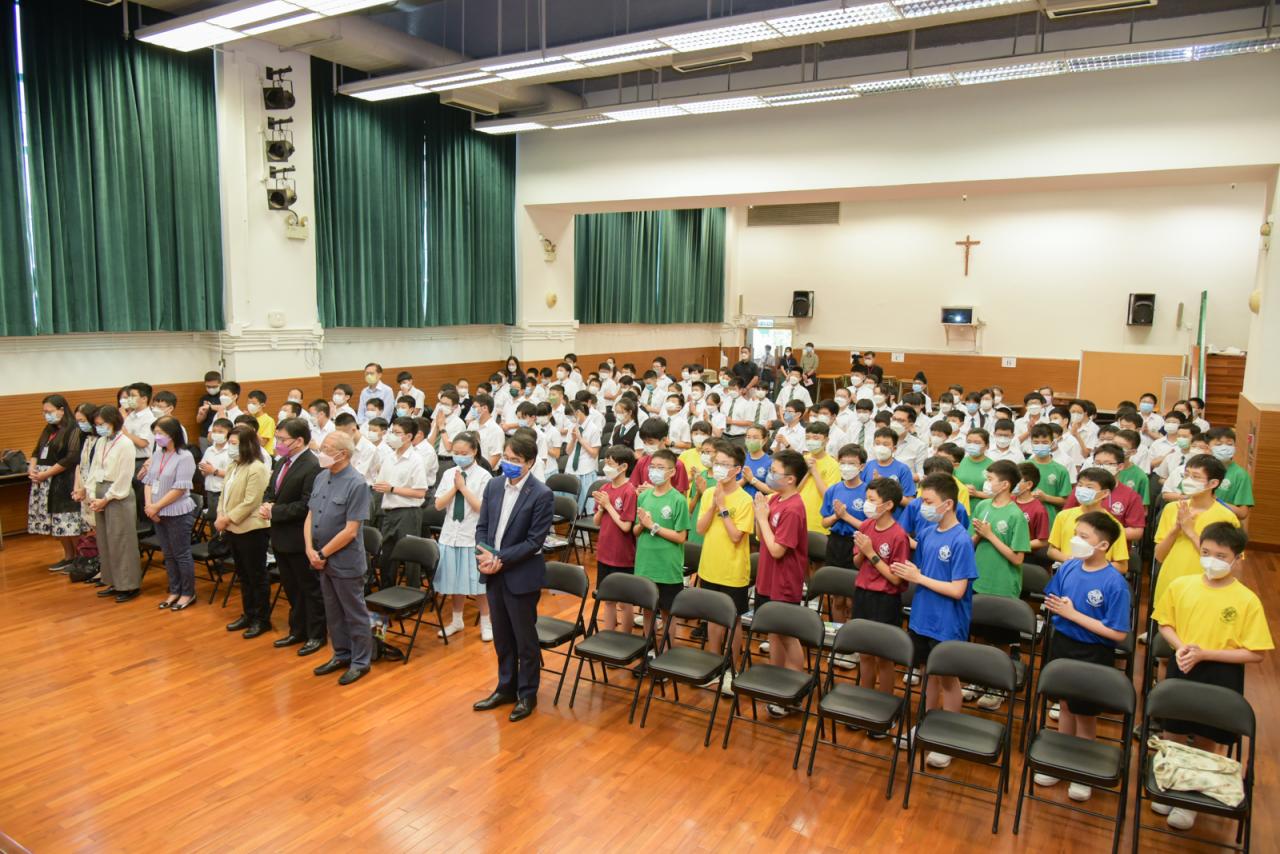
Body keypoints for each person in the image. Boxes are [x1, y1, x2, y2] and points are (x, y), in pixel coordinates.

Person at [1150, 522, 1272, 831]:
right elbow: (1165, 624)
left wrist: (1206, 654)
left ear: (1237, 558)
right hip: (1183, 663)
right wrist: (1181, 647)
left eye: (1221, 556)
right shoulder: (1182, 585)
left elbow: (1256, 652)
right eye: (1206, 552)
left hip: (1220, 672)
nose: (1211, 560)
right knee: (1173, 731)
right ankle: (1169, 782)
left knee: (1207, 736)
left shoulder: (1246, 600)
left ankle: (1190, 798)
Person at [1034, 510, 1131, 803]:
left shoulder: (1114, 583)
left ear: (1103, 545)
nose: (1075, 540)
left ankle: (1082, 770)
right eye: (1076, 534)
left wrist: (1073, 614)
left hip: (1093, 652)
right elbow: (1054, 600)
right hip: (1062, 644)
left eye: (1083, 536)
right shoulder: (1068, 567)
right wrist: (1059, 607)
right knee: (1064, 705)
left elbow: (1118, 633)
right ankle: (1061, 761)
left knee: (1085, 714)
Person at [891, 474, 979, 769]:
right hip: (922, 617)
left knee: (948, 680)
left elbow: (957, 590)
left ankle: (947, 738)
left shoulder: (961, 540)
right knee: (927, 674)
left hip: (948, 622)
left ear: (948, 504)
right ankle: (926, 724)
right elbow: (922, 571)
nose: (922, 506)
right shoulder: (928, 532)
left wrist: (918, 578)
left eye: (928, 501)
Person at [473, 434, 555, 722]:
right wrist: (484, 554)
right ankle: (505, 687)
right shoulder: (494, 485)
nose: (508, 463)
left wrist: (499, 559)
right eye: (506, 457)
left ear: (530, 462)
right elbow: (482, 526)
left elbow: (534, 541)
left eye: (515, 460)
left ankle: (527, 693)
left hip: (520, 574)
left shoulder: (541, 494)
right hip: (493, 572)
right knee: (502, 637)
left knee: (524, 640)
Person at [306, 431, 375, 686]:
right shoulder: (321, 476)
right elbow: (310, 515)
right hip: (320, 558)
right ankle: (341, 654)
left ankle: (360, 661)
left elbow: (351, 530)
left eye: (326, 449)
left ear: (342, 454)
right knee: (333, 612)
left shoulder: (357, 483)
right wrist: (309, 549)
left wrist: (322, 553)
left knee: (354, 613)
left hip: (344, 561)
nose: (321, 452)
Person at [753, 449, 811, 717]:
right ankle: (776, 684)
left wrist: (762, 518)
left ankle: (793, 693)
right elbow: (761, 537)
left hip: (784, 581)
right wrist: (759, 515)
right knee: (773, 633)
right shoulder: (775, 499)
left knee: (787, 636)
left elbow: (777, 550)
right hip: (767, 578)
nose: (769, 475)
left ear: (790, 479)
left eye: (774, 471)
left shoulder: (794, 508)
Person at [694, 440, 754, 695]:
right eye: (716, 463)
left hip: (732, 571)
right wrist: (712, 504)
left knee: (733, 620)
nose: (718, 467)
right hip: (709, 566)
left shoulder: (745, 499)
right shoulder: (710, 492)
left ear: (737, 469)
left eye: (724, 464)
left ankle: (734, 669)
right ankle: (713, 666)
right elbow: (700, 529)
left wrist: (723, 508)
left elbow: (736, 536)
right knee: (712, 618)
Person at [261, 417, 325, 656]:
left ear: (298, 441)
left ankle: (316, 634)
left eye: (282, 439)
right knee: (292, 588)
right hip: (280, 535)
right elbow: (271, 490)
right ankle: (297, 630)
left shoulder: (312, 465)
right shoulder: (282, 461)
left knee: (309, 589)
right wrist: (267, 504)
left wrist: (275, 511)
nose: (278, 443)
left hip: (300, 537)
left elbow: (308, 505)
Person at [1151, 454, 1240, 606]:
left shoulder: (1227, 517)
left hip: (1205, 589)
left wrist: (1190, 532)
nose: (1188, 481)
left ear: (1213, 483)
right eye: (1186, 475)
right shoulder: (1172, 509)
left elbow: (1223, 562)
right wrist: (1176, 528)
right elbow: (1159, 556)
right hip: (1170, 582)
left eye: (1196, 477)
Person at [852, 477, 910, 697]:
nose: (867, 504)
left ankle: (884, 703)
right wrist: (862, 552)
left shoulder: (899, 536)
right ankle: (864, 698)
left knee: (883, 657)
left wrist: (870, 553)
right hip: (862, 595)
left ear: (888, 505)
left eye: (872, 499)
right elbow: (857, 563)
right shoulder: (867, 525)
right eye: (866, 498)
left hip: (885, 600)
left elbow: (896, 579)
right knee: (865, 653)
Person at [435, 432, 495, 640]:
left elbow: (482, 508)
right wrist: (454, 487)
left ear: (474, 451)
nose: (459, 456)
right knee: (454, 582)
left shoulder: (484, 476)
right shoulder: (448, 473)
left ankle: (486, 624)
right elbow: (438, 504)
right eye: (456, 453)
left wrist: (463, 488)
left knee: (479, 584)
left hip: (472, 536)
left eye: (464, 453)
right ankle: (457, 620)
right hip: (450, 534)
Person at [217, 425, 271, 638]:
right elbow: (224, 494)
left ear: (246, 445)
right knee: (243, 575)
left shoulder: (257, 468)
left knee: (256, 575)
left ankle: (261, 619)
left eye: (234, 444)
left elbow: (251, 501)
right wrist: (221, 515)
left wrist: (227, 518)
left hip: (251, 529)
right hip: (232, 527)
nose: (230, 447)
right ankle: (248, 614)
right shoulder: (234, 465)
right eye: (229, 443)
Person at [633, 449, 691, 640]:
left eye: (660, 467)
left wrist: (653, 526)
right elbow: (635, 531)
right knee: (647, 610)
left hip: (667, 567)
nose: (654, 471)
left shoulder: (678, 500)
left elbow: (681, 537)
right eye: (652, 467)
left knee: (667, 612)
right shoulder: (643, 497)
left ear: (672, 472)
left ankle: (667, 651)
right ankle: (649, 647)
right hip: (645, 564)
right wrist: (642, 524)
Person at [85, 406, 141, 602]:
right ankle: (113, 581)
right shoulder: (101, 441)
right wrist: (92, 494)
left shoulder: (125, 443)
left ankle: (129, 585)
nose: (99, 428)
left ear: (113, 422)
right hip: (100, 492)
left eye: (102, 424)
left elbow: (124, 477)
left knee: (121, 541)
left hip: (118, 495)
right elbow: (94, 469)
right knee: (105, 540)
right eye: (97, 424)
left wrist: (106, 498)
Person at [143, 416, 198, 611]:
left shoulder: (185, 456)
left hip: (177, 512)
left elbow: (180, 488)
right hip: (156, 511)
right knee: (168, 554)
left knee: (181, 554)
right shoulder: (158, 454)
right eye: (155, 433)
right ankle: (174, 590)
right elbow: (149, 481)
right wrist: (149, 506)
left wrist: (156, 507)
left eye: (161, 433)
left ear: (172, 434)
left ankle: (187, 593)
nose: (157, 437)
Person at [28, 394, 84, 570]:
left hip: (64, 480)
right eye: (44, 412)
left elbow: (72, 457)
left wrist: (47, 473)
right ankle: (68, 556)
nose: (46, 415)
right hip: (45, 481)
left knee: (68, 520)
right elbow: (36, 452)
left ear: (61, 410)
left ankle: (79, 558)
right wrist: (32, 468)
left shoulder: (74, 428)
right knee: (56, 522)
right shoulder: (49, 429)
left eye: (49, 411)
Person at [374, 417, 429, 589]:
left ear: (409, 436)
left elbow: (420, 492)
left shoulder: (416, 459)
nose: (392, 436)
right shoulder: (389, 457)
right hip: (388, 512)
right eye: (392, 432)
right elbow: (381, 482)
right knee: (387, 556)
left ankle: (413, 593)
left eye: (397, 433)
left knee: (411, 557)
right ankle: (386, 590)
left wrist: (392, 489)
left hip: (408, 512)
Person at [1046, 468, 1129, 575]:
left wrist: (1093, 565)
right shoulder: (1063, 516)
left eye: (1089, 487)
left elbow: (1122, 566)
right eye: (1080, 485)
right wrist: (1071, 560)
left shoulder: (1113, 525)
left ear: (1105, 493)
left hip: (1097, 577)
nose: (1082, 490)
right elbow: (1051, 550)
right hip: (1067, 574)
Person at [969, 459, 1031, 600]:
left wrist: (990, 535)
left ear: (1005, 485)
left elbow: (1017, 559)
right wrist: (978, 534)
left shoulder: (1016, 515)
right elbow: (969, 545)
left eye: (990, 479)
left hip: (1003, 585)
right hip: (978, 580)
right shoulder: (982, 506)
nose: (986, 483)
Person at [594, 445, 639, 633]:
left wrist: (608, 505)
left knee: (624, 602)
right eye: (605, 462)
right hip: (604, 553)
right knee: (608, 599)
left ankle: (626, 638)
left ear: (623, 467)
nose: (606, 467)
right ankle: (608, 635)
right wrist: (601, 508)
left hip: (622, 556)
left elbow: (626, 526)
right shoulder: (605, 488)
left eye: (610, 463)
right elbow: (597, 521)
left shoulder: (629, 491)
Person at [820, 444, 869, 570]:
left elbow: (870, 528)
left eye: (851, 464)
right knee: (831, 576)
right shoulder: (833, 490)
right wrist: (836, 516)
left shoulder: (868, 492)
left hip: (857, 542)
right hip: (834, 542)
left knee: (850, 578)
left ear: (862, 466)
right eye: (842, 463)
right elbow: (824, 523)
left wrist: (845, 516)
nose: (846, 467)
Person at [798, 421, 840, 533]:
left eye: (816, 438)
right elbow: (794, 490)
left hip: (818, 521)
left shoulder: (833, 465)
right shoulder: (801, 460)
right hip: (798, 515)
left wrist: (815, 472)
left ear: (826, 440)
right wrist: (807, 473)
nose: (811, 441)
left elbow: (828, 496)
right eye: (808, 438)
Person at [1206, 427, 1253, 521]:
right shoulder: (1199, 469)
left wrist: (1216, 502)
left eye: (1229, 444)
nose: (1224, 448)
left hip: (1222, 525)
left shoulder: (1240, 474)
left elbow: (1243, 513)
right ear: (1208, 447)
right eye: (1218, 444)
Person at [196, 370, 223, 437]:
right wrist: (203, 413)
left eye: (214, 387)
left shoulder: (225, 398)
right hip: (205, 434)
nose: (211, 389)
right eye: (208, 387)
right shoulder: (204, 398)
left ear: (221, 384)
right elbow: (198, 421)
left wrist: (211, 407)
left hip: (221, 434)